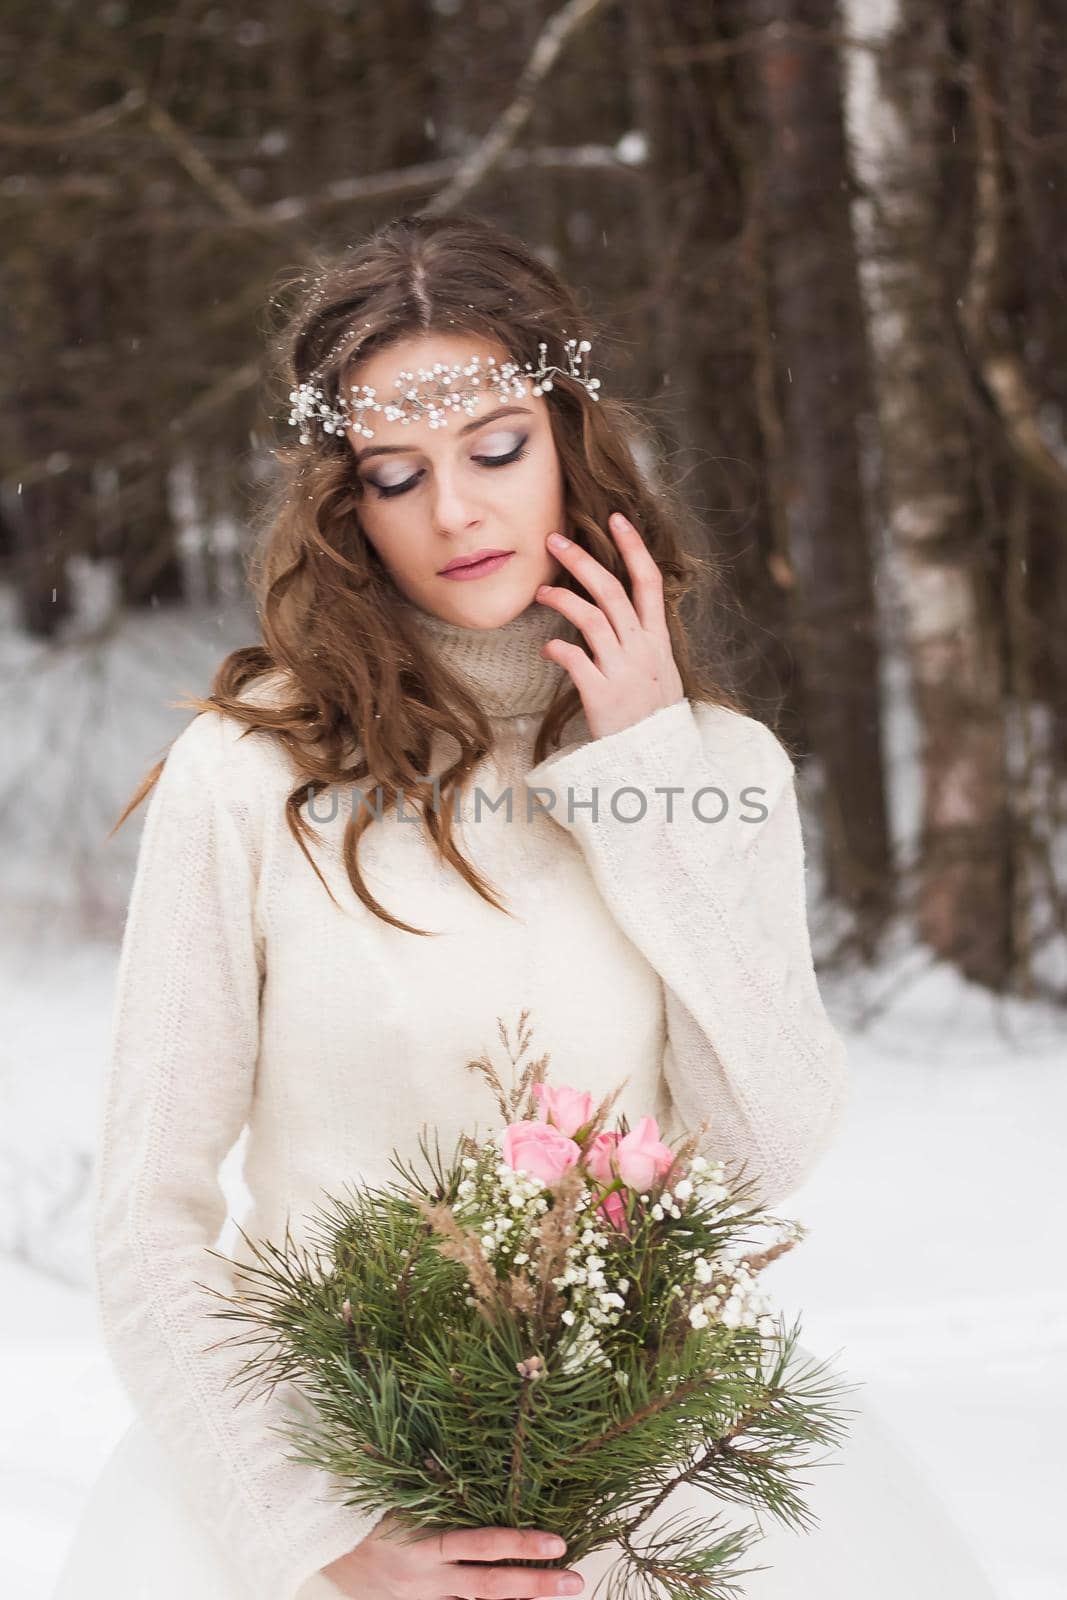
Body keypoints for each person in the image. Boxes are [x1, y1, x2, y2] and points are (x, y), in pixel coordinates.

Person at [51, 213, 999, 1600]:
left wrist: (645, 776)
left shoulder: (713, 771)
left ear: (569, 439)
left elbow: (766, 1145)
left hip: (641, 1497)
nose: (457, 512)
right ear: (347, 503)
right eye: (398, 473)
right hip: (319, 1504)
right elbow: (146, 1210)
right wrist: (328, 1545)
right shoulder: (250, 770)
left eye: (496, 449)